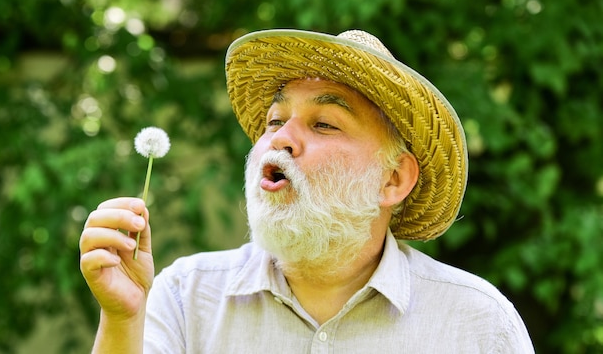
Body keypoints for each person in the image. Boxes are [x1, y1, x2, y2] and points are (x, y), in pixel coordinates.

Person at [80, 29, 535, 353]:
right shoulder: (184, 295)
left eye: (324, 124)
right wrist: (121, 320)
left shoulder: (477, 323)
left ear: (393, 179)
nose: (279, 138)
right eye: (275, 121)